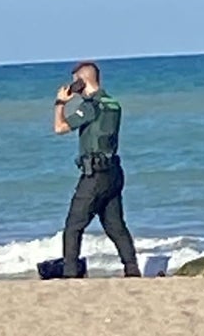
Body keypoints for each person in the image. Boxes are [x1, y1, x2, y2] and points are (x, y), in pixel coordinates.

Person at [53, 61, 141, 278]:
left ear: (82, 81)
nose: (73, 86)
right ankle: (132, 269)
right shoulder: (114, 104)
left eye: (75, 82)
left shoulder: (91, 106)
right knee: (115, 225)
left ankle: (70, 272)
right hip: (113, 172)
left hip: (94, 174)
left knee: (73, 225)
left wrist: (60, 103)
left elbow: (59, 128)